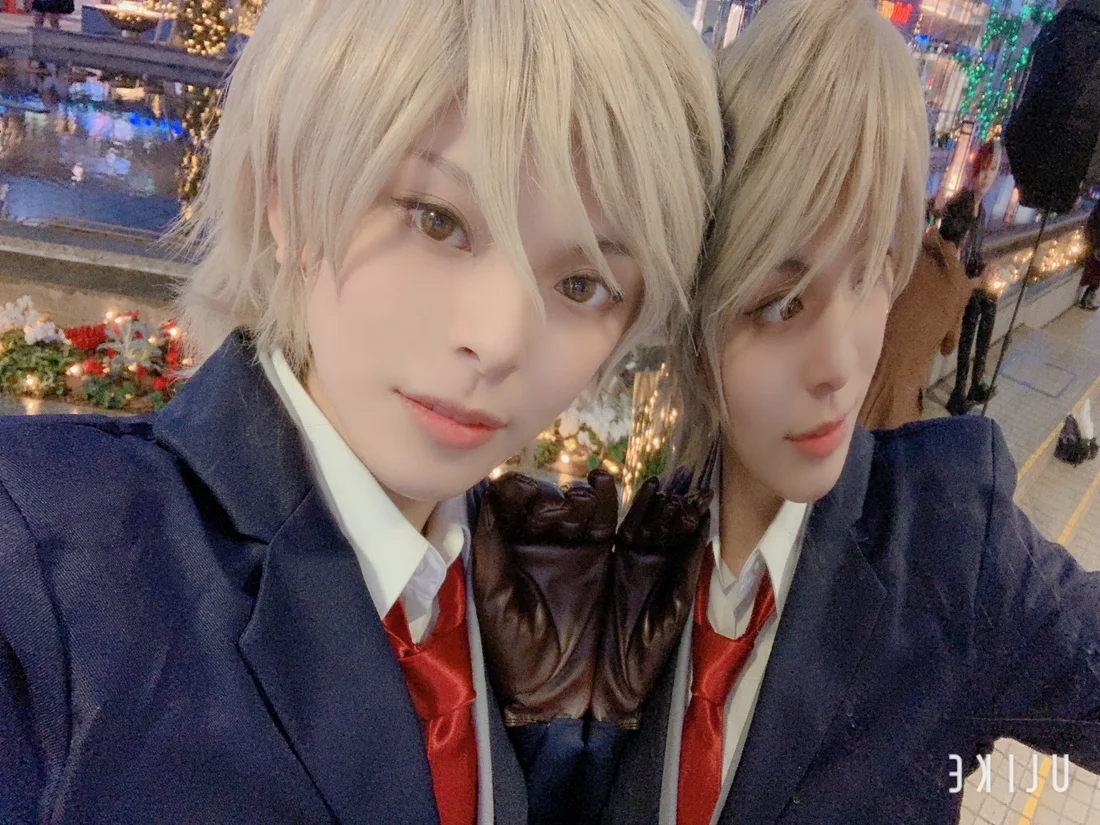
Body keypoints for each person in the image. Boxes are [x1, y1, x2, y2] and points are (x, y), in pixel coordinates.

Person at [0, 0, 725, 822]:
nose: (496, 341)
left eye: (582, 284)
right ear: (286, 192)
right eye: (437, 220)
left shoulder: (514, 606)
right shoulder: (46, 566)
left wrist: (574, 759)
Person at [597, 1, 1097, 822]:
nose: (838, 366)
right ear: (698, 301)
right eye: (782, 302)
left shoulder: (949, 552)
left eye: (870, 272)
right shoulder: (619, 560)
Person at [859, 207, 973, 429]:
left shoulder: (905, 254)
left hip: (865, 371)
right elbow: (948, 345)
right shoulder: (959, 286)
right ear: (965, 237)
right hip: (902, 397)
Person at [943, 140, 1003, 416]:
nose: (988, 177)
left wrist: (985, 270)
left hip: (967, 280)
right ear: (975, 169)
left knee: (989, 302)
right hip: (952, 281)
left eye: (994, 170)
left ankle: (975, 381)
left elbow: (975, 254)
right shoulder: (962, 204)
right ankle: (960, 389)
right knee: (975, 309)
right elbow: (950, 251)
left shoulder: (982, 210)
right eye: (985, 168)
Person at [1078, 200, 1100, 310]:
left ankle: (1088, 296)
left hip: (1094, 238)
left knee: (1095, 270)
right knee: (1096, 270)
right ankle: (1087, 297)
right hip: (1095, 240)